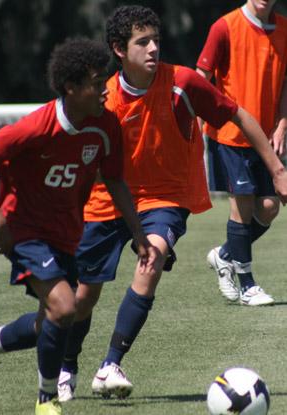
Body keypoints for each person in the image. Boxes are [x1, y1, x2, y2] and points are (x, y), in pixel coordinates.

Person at [57, 5, 287, 401]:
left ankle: (110, 364)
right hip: (108, 199)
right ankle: (67, 365)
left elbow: (240, 115)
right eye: (141, 42)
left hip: (166, 196)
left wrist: (278, 170)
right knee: (83, 297)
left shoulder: (181, 82)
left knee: (154, 258)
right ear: (118, 49)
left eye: (156, 40)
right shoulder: (103, 99)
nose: (152, 49)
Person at [0, 36, 156, 415]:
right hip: (26, 231)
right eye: (97, 82)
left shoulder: (105, 125)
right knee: (64, 308)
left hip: (66, 233)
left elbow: (114, 180)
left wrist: (139, 234)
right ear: (71, 88)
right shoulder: (38, 126)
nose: (105, 89)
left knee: (52, 320)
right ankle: (46, 398)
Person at [196, 0, 287, 306]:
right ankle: (247, 285)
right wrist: (192, 134)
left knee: (269, 207)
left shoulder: (285, 30)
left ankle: (223, 255)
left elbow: (285, 83)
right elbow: (200, 81)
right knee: (243, 207)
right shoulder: (224, 27)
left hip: (263, 138)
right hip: (229, 135)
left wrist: (282, 124)